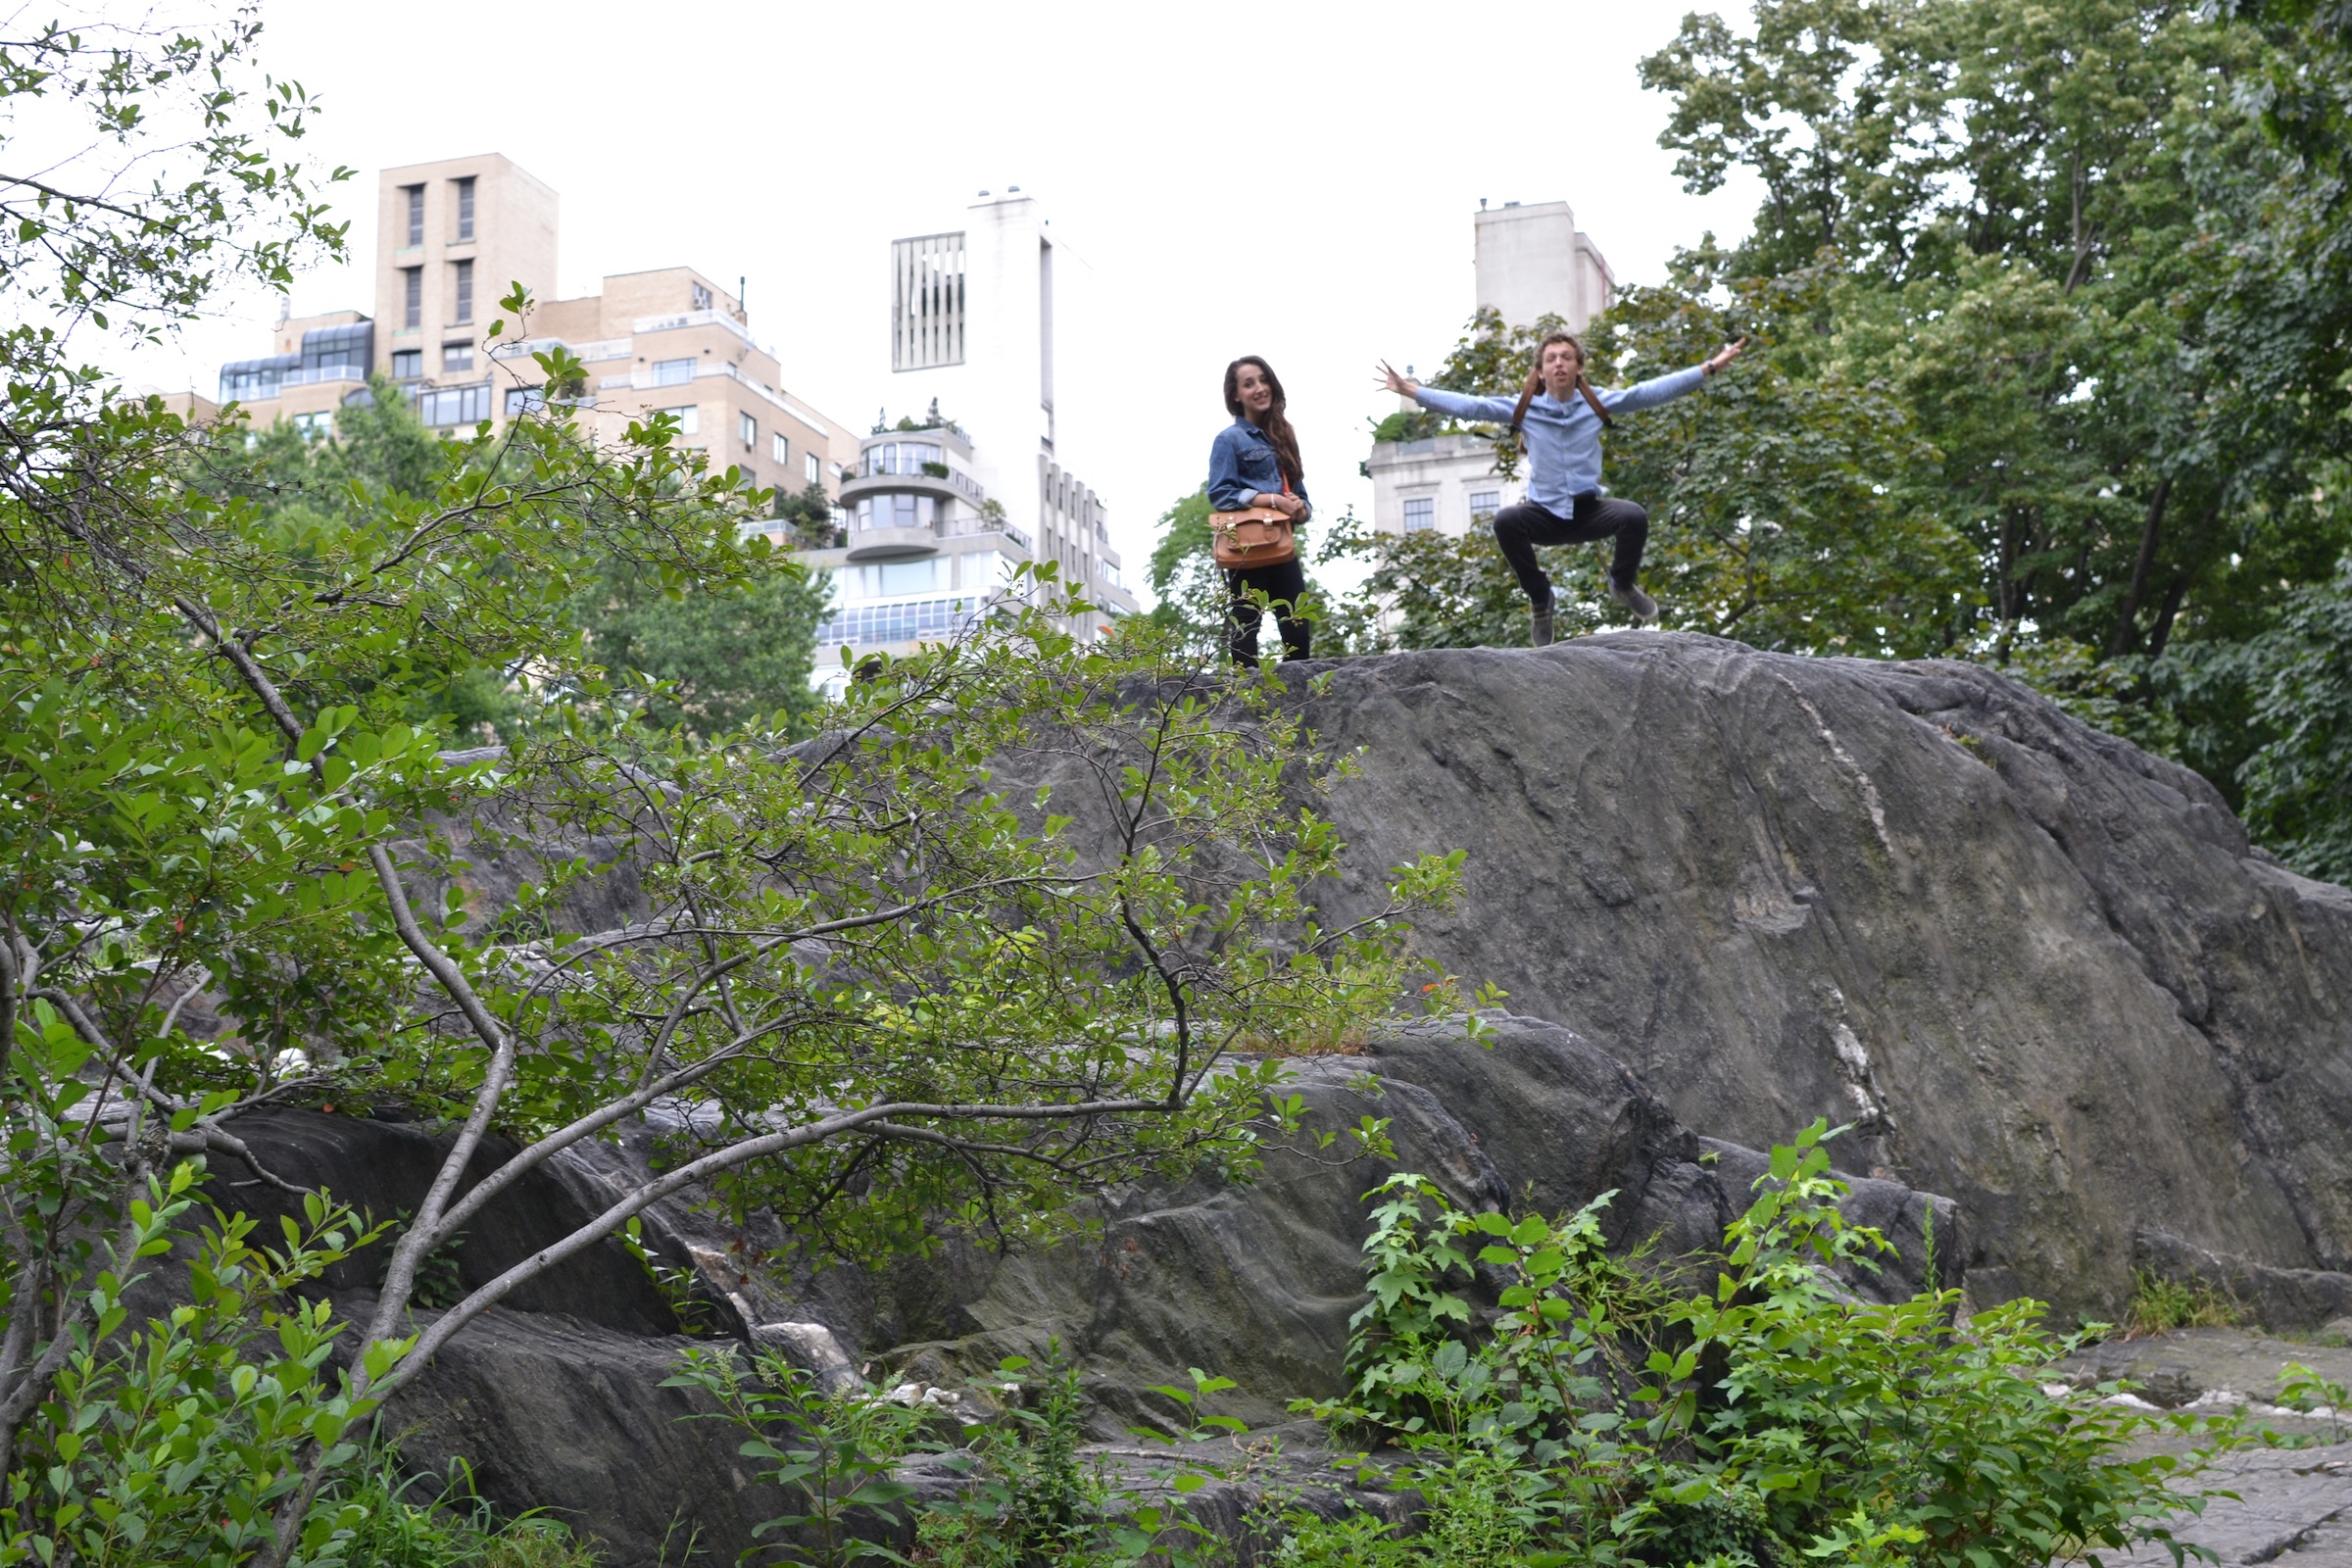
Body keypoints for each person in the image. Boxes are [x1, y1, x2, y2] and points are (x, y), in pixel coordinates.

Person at [1377, 332, 1745, 646]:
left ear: (1577, 368)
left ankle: (1623, 583)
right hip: (1544, 515)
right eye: (1551, 359)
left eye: (1567, 358)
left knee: (1633, 515)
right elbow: (1473, 407)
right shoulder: (1524, 408)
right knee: (1506, 521)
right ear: (1540, 371)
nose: (1559, 364)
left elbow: (1649, 392)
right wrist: (1411, 390)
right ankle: (1540, 599)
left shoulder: (1597, 402)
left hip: (1589, 510)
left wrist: (1710, 367)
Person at [1205, 356, 1312, 665]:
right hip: (1246, 547)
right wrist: (1271, 500)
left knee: (1297, 626)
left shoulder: (1285, 434)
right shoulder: (1229, 439)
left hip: (1281, 544)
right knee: (1245, 626)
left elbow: (1300, 493)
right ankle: (1244, 704)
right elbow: (1220, 494)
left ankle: (1299, 702)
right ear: (1236, 395)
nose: (1259, 388)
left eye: (1263, 380)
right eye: (1249, 383)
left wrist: (1299, 509)